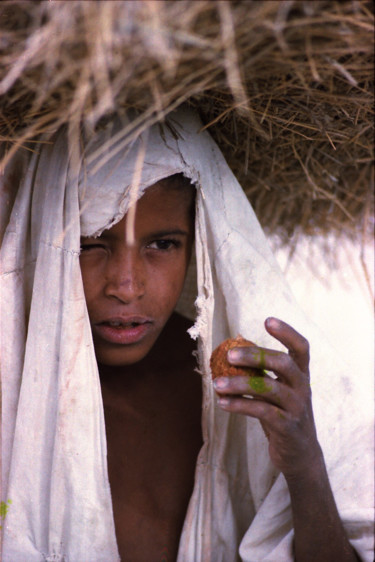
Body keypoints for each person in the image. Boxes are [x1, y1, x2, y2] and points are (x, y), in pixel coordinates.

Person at [0, 108, 373, 561]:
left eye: (162, 244)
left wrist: (305, 466)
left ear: (196, 245)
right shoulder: (11, 400)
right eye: (89, 242)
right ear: (43, 240)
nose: (126, 286)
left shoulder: (254, 394)